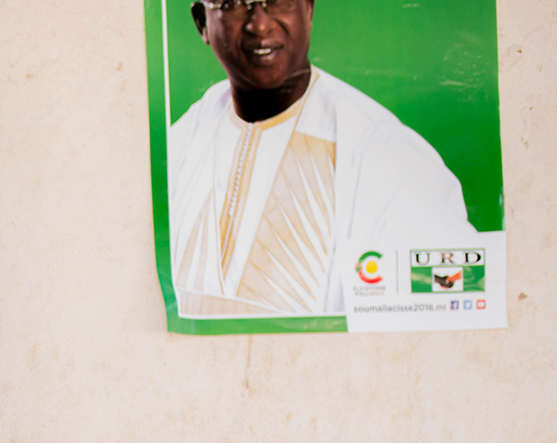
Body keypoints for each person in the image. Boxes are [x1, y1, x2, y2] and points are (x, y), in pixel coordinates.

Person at [168, 0, 476, 317]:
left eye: (278, 0)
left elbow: (457, 306)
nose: (259, 24)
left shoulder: (384, 153)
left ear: (309, 10)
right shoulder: (187, 136)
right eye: (233, 3)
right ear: (201, 22)